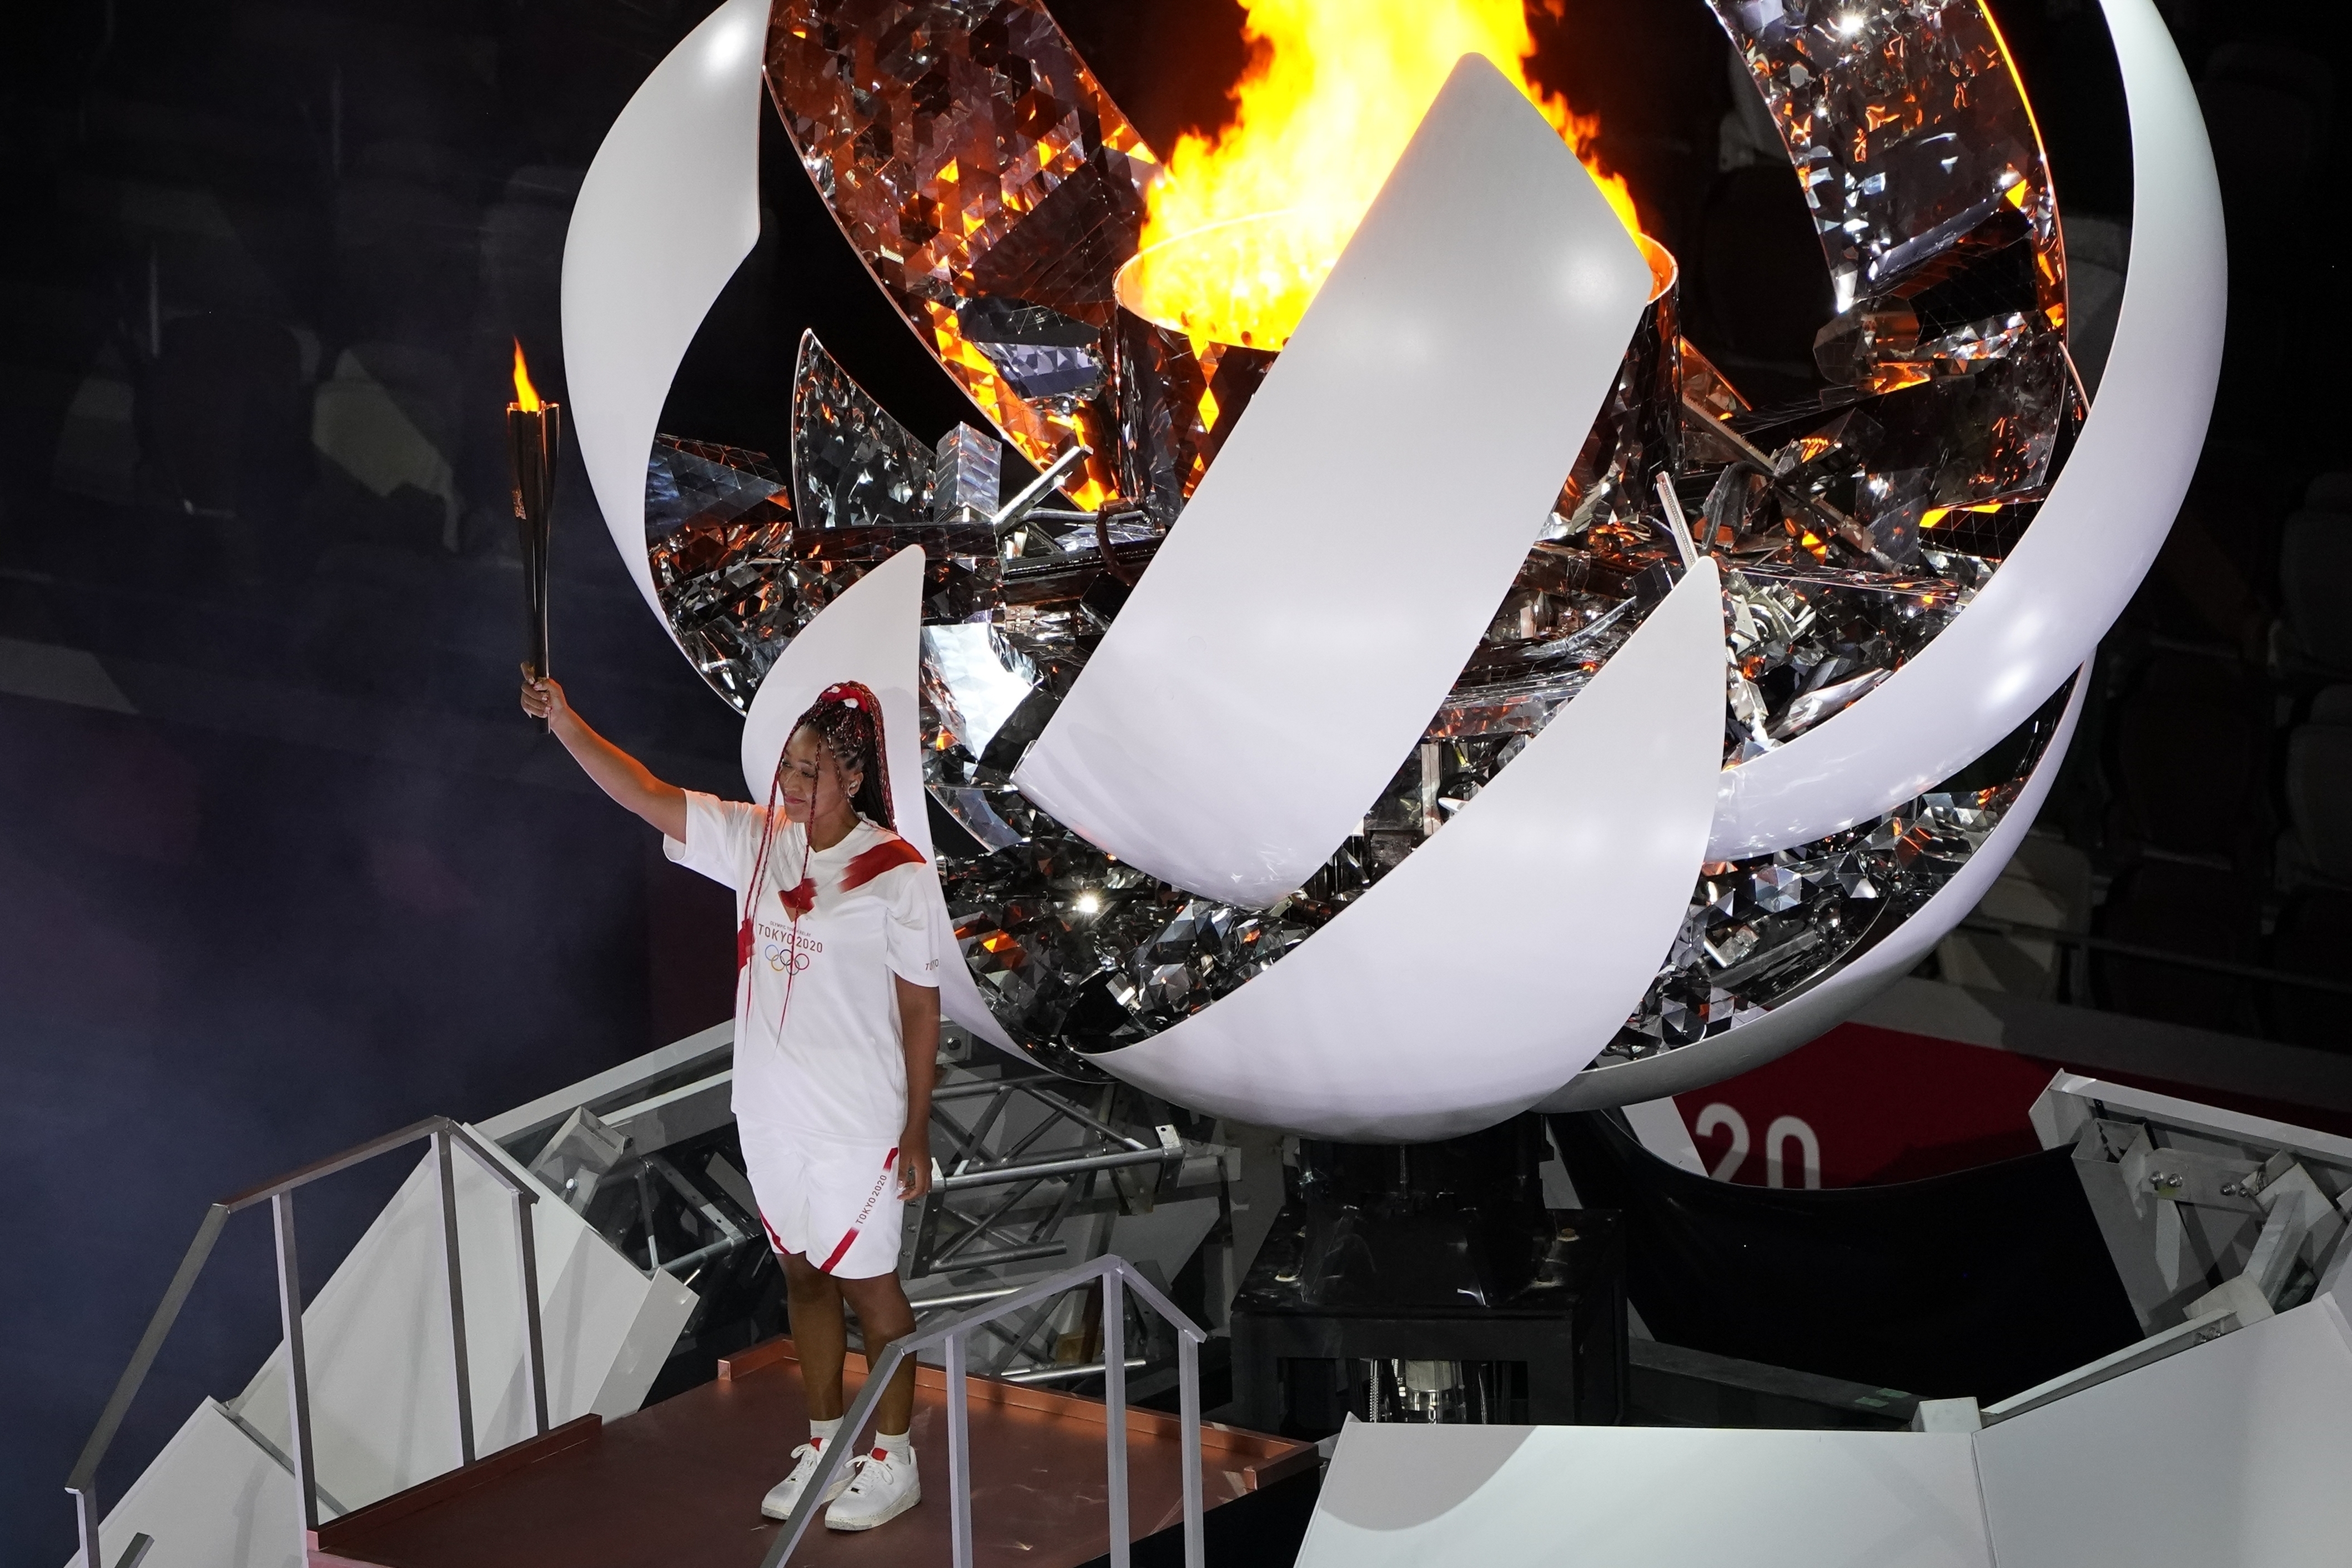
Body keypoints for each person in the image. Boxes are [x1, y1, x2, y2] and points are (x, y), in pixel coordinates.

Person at [521, 670, 938, 1532]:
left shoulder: (895, 873)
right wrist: (566, 723)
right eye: (787, 766)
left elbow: (918, 1007)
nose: (789, 784)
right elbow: (644, 793)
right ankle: (827, 1444)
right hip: (772, 1111)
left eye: (808, 770)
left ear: (854, 777)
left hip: (856, 1120)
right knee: (801, 1276)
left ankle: (894, 1460)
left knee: (872, 1292)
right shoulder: (757, 840)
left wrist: (917, 1125)